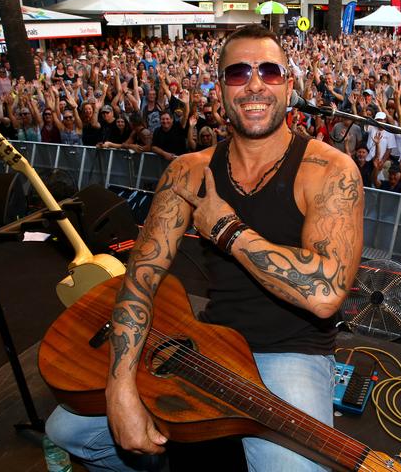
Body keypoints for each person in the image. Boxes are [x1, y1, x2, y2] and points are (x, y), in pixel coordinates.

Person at [45, 24, 364, 472]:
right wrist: (119, 390)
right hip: (206, 341)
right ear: (222, 91)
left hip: (292, 351)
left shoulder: (330, 170)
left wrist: (227, 230)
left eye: (269, 71)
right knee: (68, 431)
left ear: (290, 85)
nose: (255, 83)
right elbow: (139, 280)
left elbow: (325, 295)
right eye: (238, 73)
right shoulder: (187, 172)